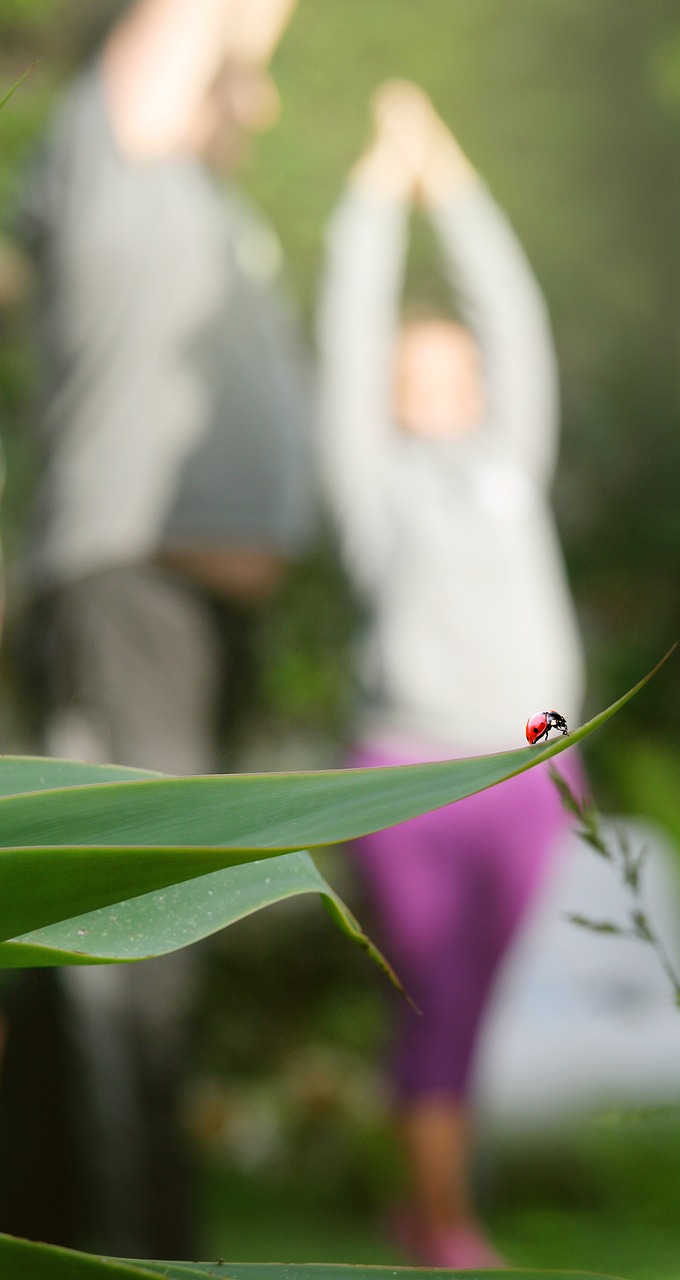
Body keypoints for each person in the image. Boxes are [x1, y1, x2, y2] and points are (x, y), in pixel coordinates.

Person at [0, 0, 315, 1256]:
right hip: (126, 597)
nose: (265, 97)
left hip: (191, 615)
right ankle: (129, 1249)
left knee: (135, 958)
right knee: (127, 962)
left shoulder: (190, 198)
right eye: (233, 76)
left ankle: (64, 1228)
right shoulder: (108, 160)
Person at [318, 81, 587, 1269]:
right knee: (431, 994)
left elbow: (513, 314)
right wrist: (376, 196)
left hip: (526, 758)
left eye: (452, 373)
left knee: (463, 999)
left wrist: (451, 179)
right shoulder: (371, 491)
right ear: (384, 396)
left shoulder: (508, 465)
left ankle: (424, 1201)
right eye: (410, 377)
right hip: (406, 770)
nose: (436, 393)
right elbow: (341, 335)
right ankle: (444, 1225)